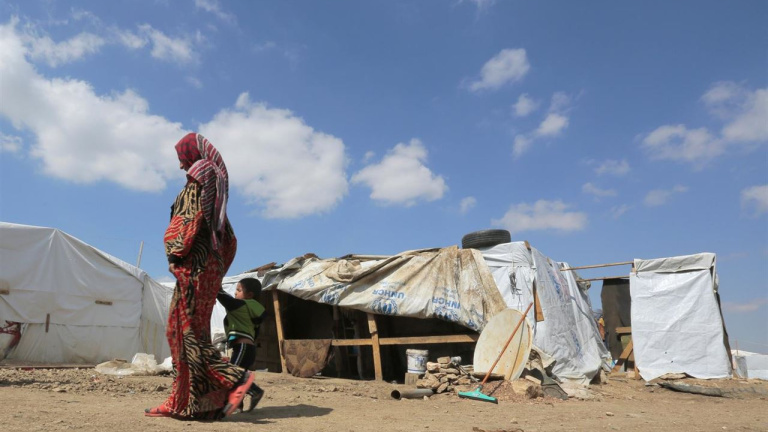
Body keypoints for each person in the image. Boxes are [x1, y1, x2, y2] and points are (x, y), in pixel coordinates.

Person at [145, 132, 254, 419]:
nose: (182, 165)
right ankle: (198, 402)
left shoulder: (199, 180)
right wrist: (215, 272)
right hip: (207, 270)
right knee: (192, 332)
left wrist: (175, 255)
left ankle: (234, 380)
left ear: (192, 155)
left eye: (182, 158)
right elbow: (230, 242)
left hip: (193, 268)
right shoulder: (217, 199)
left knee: (183, 333)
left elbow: (186, 220)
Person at [217, 277, 266, 412]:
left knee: (233, 374)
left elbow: (225, 299)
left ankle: (255, 391)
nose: (235, 293)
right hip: (248, 349)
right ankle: (238, 406)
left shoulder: (241, 306)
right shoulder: (252, 309)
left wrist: (216, 286)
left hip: (242, 348)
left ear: (249, 295)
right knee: (238, 377)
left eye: (238, 290)